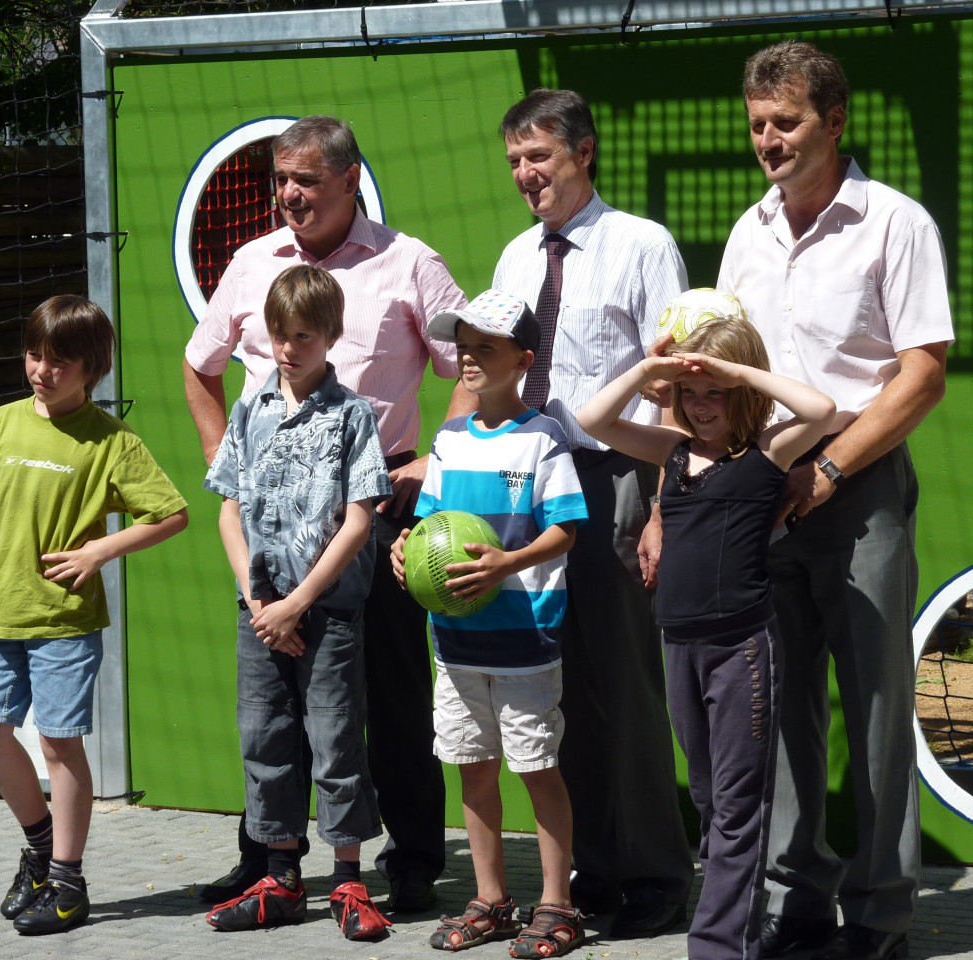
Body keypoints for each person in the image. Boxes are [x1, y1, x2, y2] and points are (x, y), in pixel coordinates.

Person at [184, 115, 470, 912]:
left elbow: (472, 363)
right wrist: (228, 477)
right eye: (282, 180)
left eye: (306, 180)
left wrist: (430, 461)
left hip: (367, 523)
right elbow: (198, 367)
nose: (289, 195)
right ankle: (267, 860)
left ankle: (410, 860)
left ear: (349, 179)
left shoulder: (408, 262)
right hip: (271, 530)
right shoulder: (250, 263)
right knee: (272, 701)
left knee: (389, 696)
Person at [718, 41, 953, 960]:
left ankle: (883, 917)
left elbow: (921, 375)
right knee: (776, 711)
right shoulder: (748, 233)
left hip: (860, 489)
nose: (768, 141)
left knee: (879, 705)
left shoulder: (897, 224)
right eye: (758, 126)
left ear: (836, 121)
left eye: (786, 122)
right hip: (761, 494)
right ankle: (799, 899)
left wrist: (831, 469)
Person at [492, 87, 694, 936]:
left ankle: (656, 871)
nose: (525, 175)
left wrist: (658, 510)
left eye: (538, 157)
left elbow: (676, 384)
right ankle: (593, 867)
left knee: (629, 686)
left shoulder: (641, 244)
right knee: (556, 687)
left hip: (615, 477)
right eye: (513, 162)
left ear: (585, 152)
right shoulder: (512, 258)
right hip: (532, 486)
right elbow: (495, 372)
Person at [578, 316, 837, 960]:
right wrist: (652, 372)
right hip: (678, 646)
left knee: (739, 803)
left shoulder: (765, 455)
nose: (700, 404)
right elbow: (593, 421)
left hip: (743, 648)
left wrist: (738, 373)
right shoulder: (671, 452)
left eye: (713, 392)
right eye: (691, 394)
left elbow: (823, 409)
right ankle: (726, 927)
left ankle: (719, 945)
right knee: (707, 795)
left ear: (742, 394)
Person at [0, 295, 189, 936]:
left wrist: (102, 549)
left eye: (59, 362)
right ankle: (39, 845)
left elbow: (171, 514)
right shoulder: (2, 424)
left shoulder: (113, 441)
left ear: (92, 369)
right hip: (2, 617)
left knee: (59, 744)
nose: (42, 371)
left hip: (65, 622)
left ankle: (68, 883)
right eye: (34, 355)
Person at [390, 290, 589, 957]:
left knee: (537, 769)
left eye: (487, 348)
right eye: (464, 346)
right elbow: (432, 527)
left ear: (523, 361)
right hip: (455, 643)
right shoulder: (447, 439)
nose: (469, 359)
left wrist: (509, 563)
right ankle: (491, 899)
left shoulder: (544, 438)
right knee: (472, 768)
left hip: (524, 642)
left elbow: (565, 529)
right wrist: (406, 549)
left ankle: (558, 905)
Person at [202, 264, 394, 942]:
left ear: (331, 336)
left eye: (304, 337)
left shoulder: (351, 416)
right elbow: (230, 509)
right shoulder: (251, 410)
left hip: (329, 613)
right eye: (280, 336)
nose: (288, 349)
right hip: (260, 613)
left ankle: (348, 878)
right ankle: (280, 877)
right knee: (267, 739)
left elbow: (359, 521)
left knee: (336, 742)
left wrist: (299, 604)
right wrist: (261, 602)